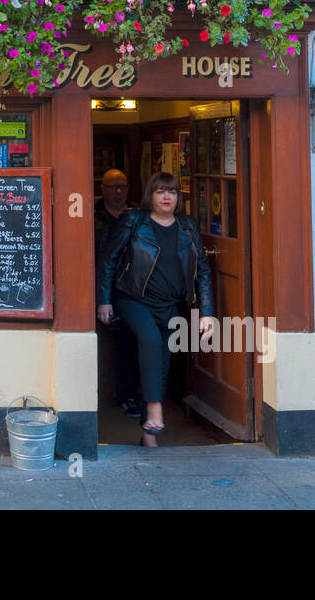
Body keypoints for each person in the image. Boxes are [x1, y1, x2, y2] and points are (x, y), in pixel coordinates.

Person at [97, 172, 216, 446]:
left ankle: (148, 433)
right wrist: (104, 299)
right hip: (132, 299)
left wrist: (206, 313)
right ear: (150, 195)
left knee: (161, 363)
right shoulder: (134, 221)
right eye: (160, 191)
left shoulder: (187, 226)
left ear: (178, 198)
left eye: (172, 192)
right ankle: (154, 409)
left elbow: (202, 271)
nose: (166, 197)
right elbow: (108, 260)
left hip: (171, 305)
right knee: (150, 339)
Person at [95, 169, 140, 418]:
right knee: (98, 345)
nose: (118, 191)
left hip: (130, 289)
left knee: (129, 344)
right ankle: (96, 395)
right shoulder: (92, 216)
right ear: (102, 189)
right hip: (99, 286)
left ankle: (127, 395)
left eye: (122, 186)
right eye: (113, 186)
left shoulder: (138, 216)